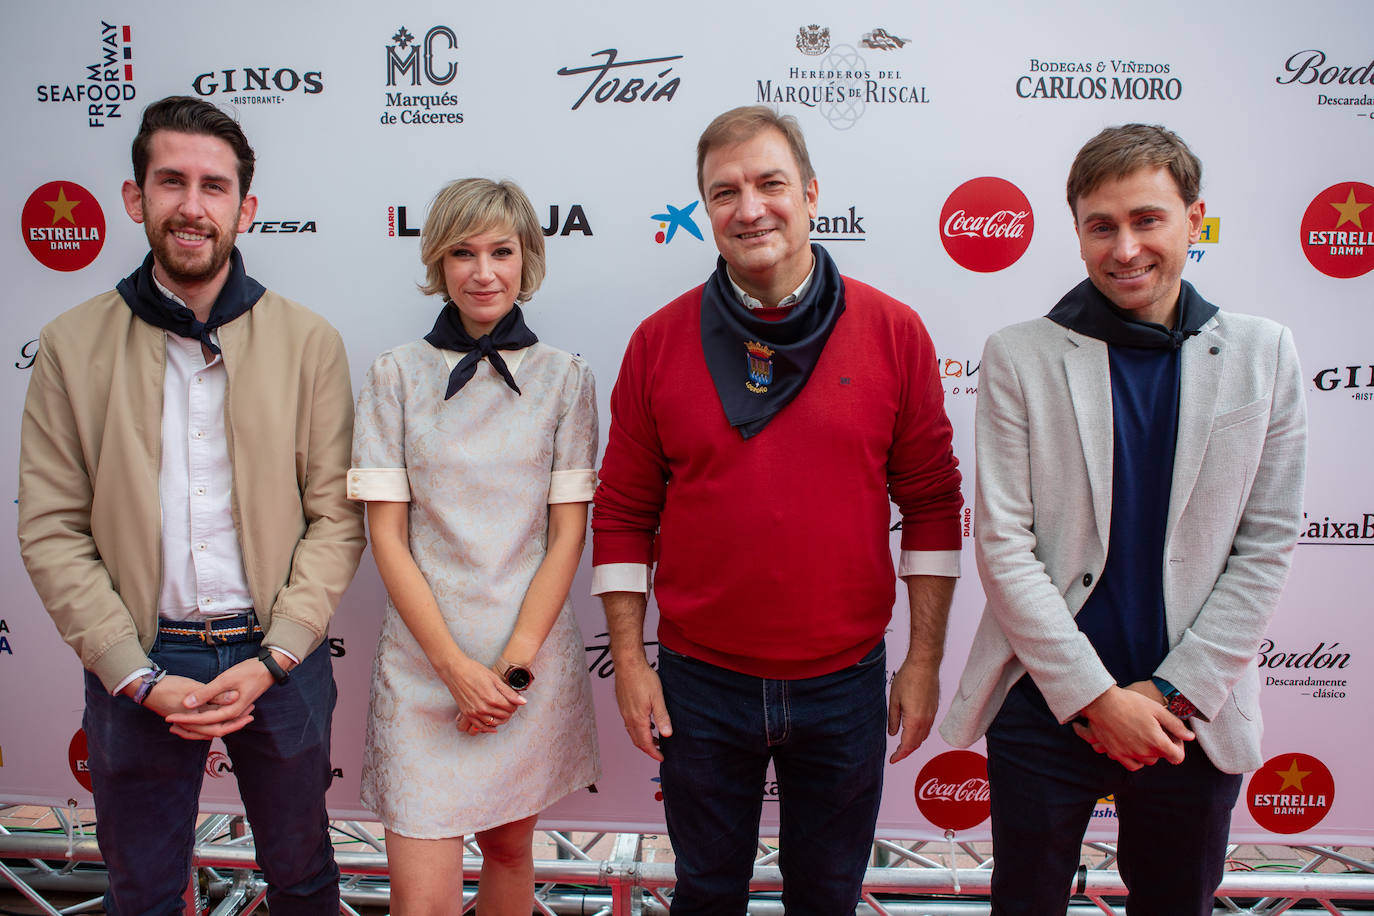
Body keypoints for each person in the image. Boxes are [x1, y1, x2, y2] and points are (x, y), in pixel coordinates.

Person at [592, 105, 963, 913]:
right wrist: (627, 659)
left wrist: (925, 660)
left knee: (828, 896)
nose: (750, 207)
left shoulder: (894, 332)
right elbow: (622, 512)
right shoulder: (657, 342)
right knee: (707, 892)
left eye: (770, 183)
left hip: (846, 684)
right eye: (724, 192)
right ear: (704, 209)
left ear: (812, 193)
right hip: (699, 685)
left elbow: (932, 504)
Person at [940, 124, 1307, 914]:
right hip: (1047, 703)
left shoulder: (1265, 353)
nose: (1126, 248)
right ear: (1076, 232)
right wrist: (1095, 698)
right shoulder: (1019, 354)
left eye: (1148, 220)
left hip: (1195, 715)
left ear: (1194, 220)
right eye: (1101, 226)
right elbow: (1004, 544)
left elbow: (1268, 542)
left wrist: (1171, 694)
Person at [17, 96, 364, 913]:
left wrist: (275, 657)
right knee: (140, 893)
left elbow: (336, 516)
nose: (191, 205)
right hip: (138, 664)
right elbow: (52, 527)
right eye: (171, 182)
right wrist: (133, 675)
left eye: (214, 186)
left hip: (277, 663)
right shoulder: (71, 345)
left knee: (306, 882)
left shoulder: (308, 342)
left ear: (245, 209)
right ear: (136, 199)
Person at [348, 177, 600, 915]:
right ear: (437, 261)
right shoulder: (394, 375)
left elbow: (566, 536)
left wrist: (513, 668)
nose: (483, 271)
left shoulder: (567, 378)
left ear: (527, 260)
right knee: (418, 902)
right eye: (463, 252)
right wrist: (456, 670)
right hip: (425, 667)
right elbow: (386, 539)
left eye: (501, 251)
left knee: (510, 851)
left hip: (524, 664)